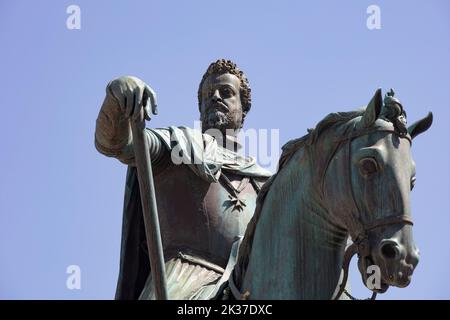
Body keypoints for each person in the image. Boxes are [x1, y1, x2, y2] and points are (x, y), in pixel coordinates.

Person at [95, 59, 272, 299]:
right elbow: (117, 144)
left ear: (243, 109)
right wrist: (117, 95)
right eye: (208, 94)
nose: (216, 97)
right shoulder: (176, 147)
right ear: (200, 108)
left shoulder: (266, 184)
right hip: (180, 281)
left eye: (226, 93)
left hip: (247, 289)